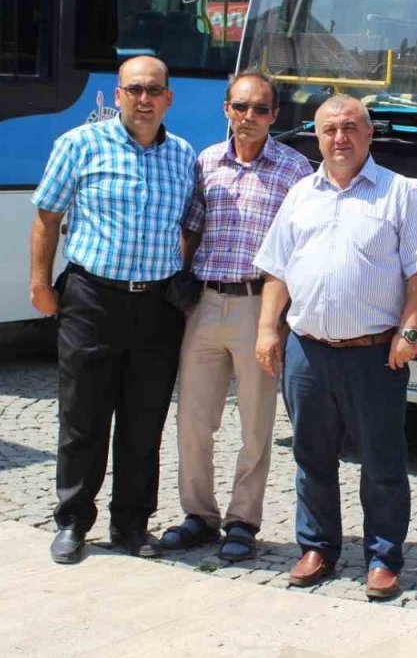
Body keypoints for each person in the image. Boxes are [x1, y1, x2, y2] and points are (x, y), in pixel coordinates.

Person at [252, 94, 417, 599]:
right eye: (331, 128)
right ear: (317, 136)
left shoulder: (397, 193)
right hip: (307, 351)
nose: (341, 137)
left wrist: (410, 329)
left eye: (351, 127)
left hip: (374, 354)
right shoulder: (300, 194)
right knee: (312, 456)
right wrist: (269, 329)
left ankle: (383, 557)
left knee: (382, 460)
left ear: (370, 133)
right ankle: (318, 548)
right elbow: (276, 270)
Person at [29, 55, 196, 565]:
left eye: (153, 91)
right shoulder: (79, 145)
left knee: (143, 423)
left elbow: (189, 225)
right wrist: (40, 281)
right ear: (117, 95)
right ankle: (73, 522)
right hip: (93, 300)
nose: (143, 100)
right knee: (83, 418)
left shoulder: (184, 156)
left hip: (157, 305)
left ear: (169, 97)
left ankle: (131, 527)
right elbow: (47, 216)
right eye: (134, 90)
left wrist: (180, 281)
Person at [160, 71, 312, 560]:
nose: (250, 117)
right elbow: (191, 230)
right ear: (226, 109)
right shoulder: (205, 163)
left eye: (261, 109)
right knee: (193, 420)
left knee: (256, 423)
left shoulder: (294, 170)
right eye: (241, 107)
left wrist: (281, 320)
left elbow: (299, 249)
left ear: (274, 115)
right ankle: (198, 515)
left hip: (258, 308)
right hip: (205, 303)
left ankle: (243, 520)